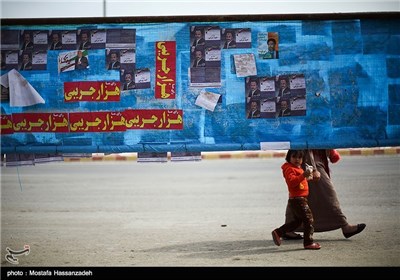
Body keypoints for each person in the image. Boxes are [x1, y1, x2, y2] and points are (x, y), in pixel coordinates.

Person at [283, 149, 366, 240]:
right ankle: (344, 226)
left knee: (298, 196)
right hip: (310, 162)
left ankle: (288, 229)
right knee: (328, 194)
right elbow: (308, 143)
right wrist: (313, 168)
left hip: (313, 161)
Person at [271, 149, 321, 250]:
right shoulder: (290, 169)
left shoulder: (297, 168)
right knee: (308, 220)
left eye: (299, 157)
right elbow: (292, 182)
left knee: (297, 222)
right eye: (294, 157)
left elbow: (300, 181)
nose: (297, 159)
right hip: (298, 200)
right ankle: (308, 242)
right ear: (289, 158)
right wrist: (303, 175)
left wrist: (308, 178)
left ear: (302, 159)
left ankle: (278, 232)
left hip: (299, 199)